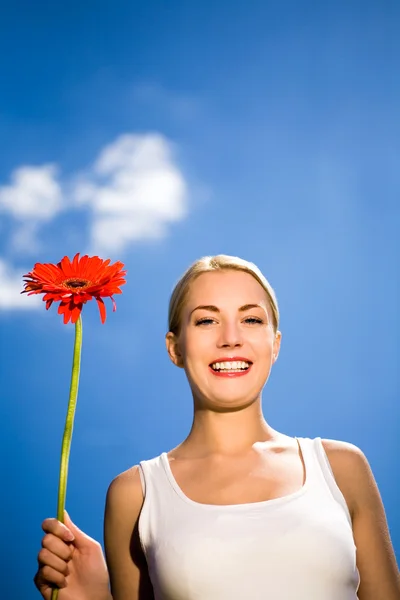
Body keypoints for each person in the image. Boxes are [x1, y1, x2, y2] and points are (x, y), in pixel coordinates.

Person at [34, 255, 400, 600]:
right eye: (207, 320)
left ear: (275, 345)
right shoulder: (135, 494)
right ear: (174, 348)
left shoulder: (341, 468)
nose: (230, 337)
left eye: (251, 320)